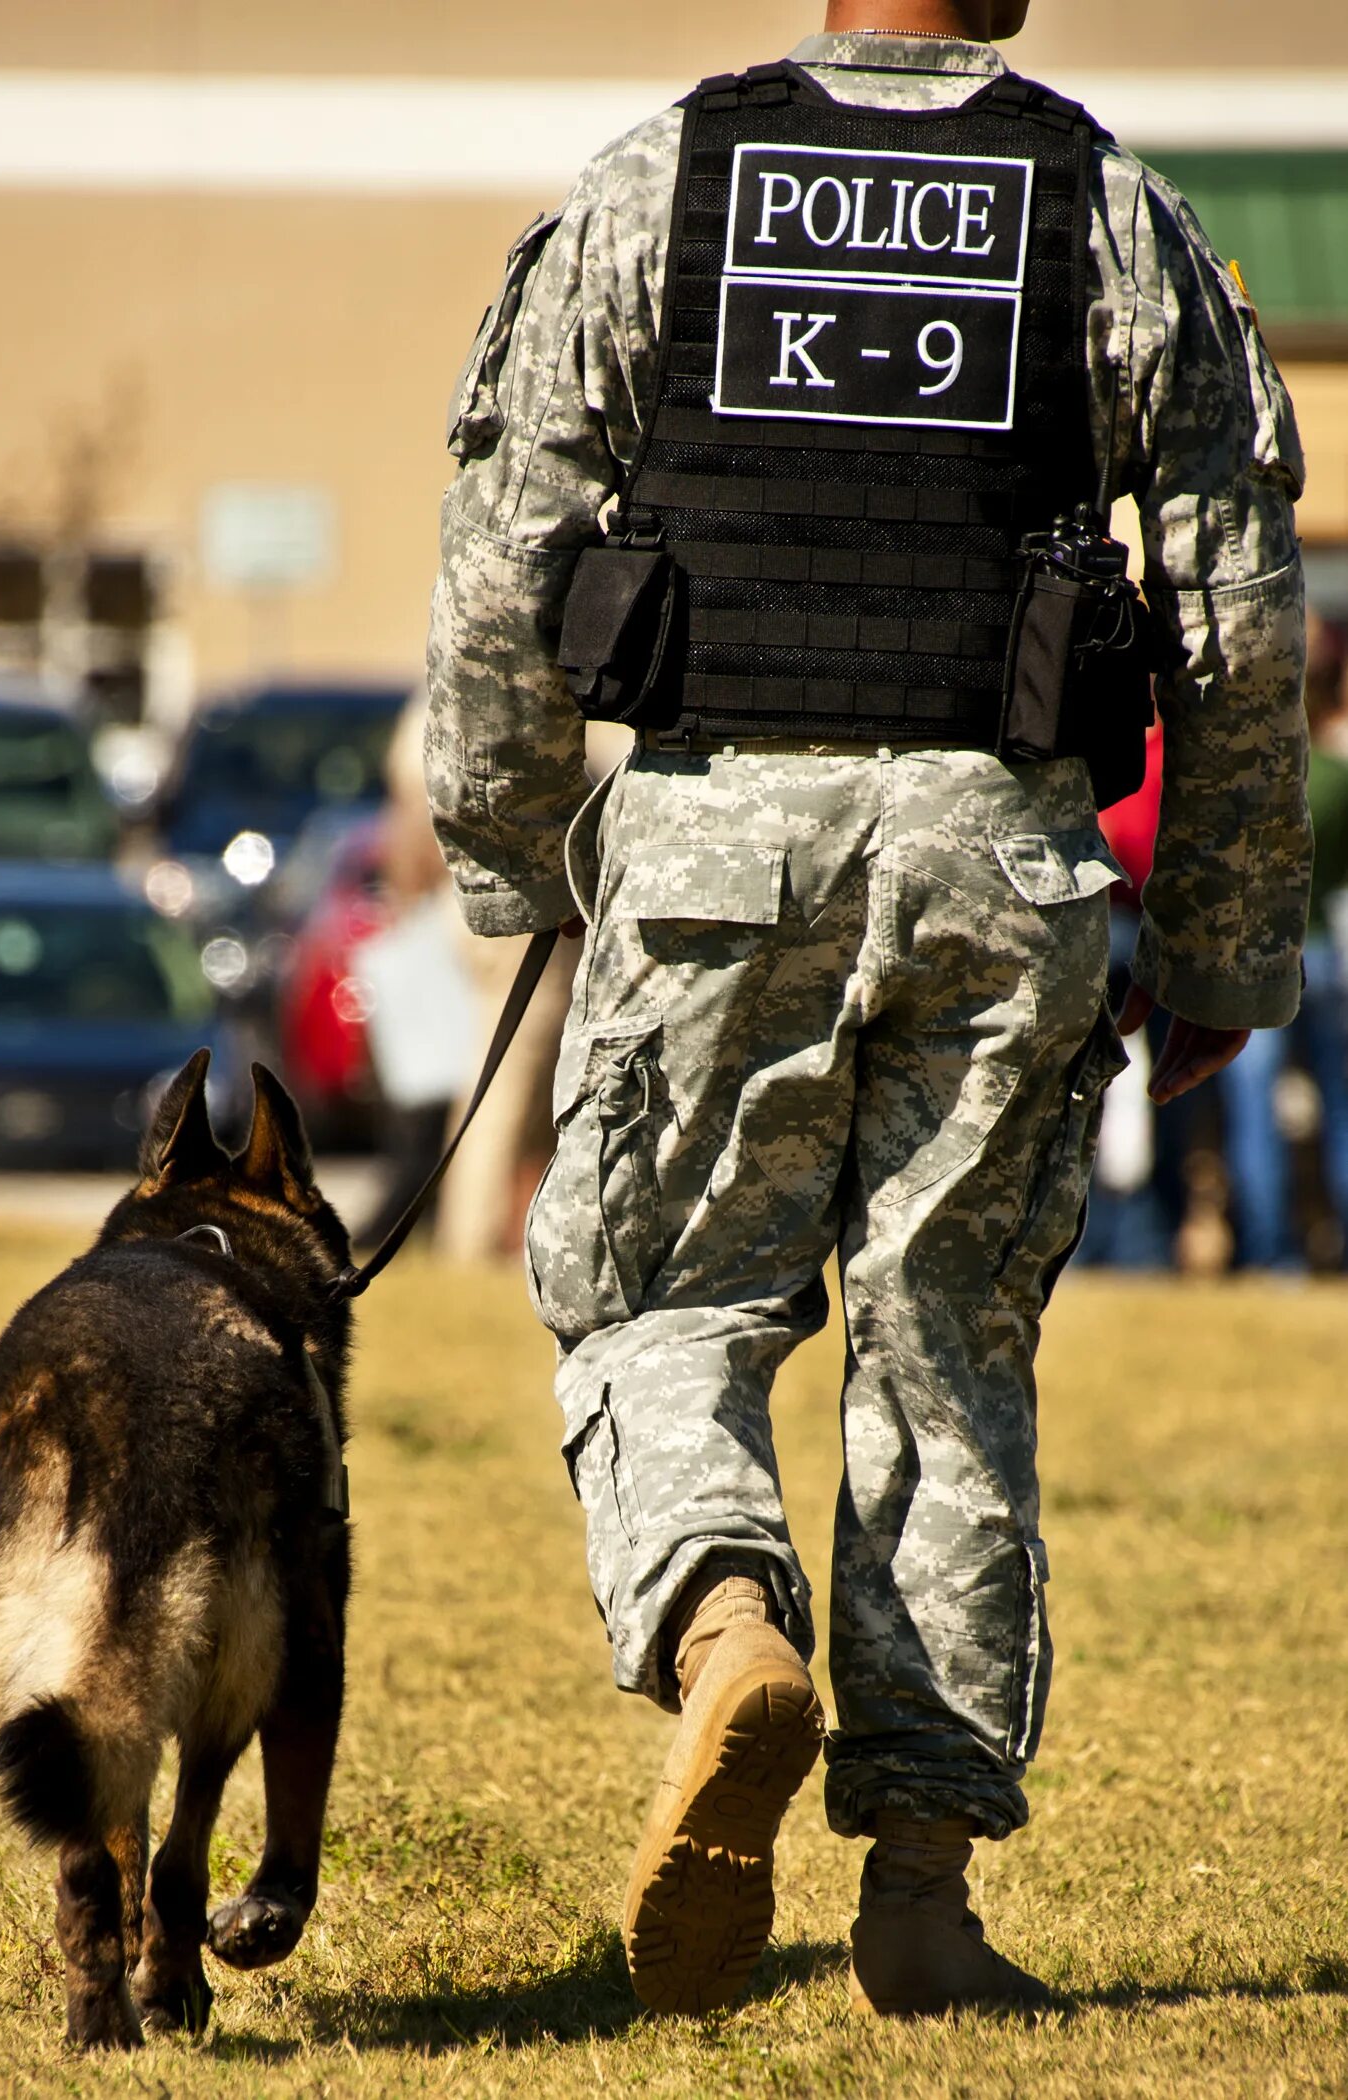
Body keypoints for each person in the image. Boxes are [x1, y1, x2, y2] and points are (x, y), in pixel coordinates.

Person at [424, 0, 1311, 2020]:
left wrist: (504, 844)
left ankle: (729, 1622)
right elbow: (1241, 607)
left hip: (719, 845)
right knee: (945, 1360)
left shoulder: (660, 180)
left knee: (662, 1304)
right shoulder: (1108, 204)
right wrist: (1233, 936)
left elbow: (504, 553)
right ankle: (916, 1897)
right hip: (1009, 862)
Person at [1215, 613, 1348, 1267]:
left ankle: (1270, 1256)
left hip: (1258, 954)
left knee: (1254, 1117)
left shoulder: (1248, 773)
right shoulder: (1336, 774)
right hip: (1323, 951)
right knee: (1341, 1108)